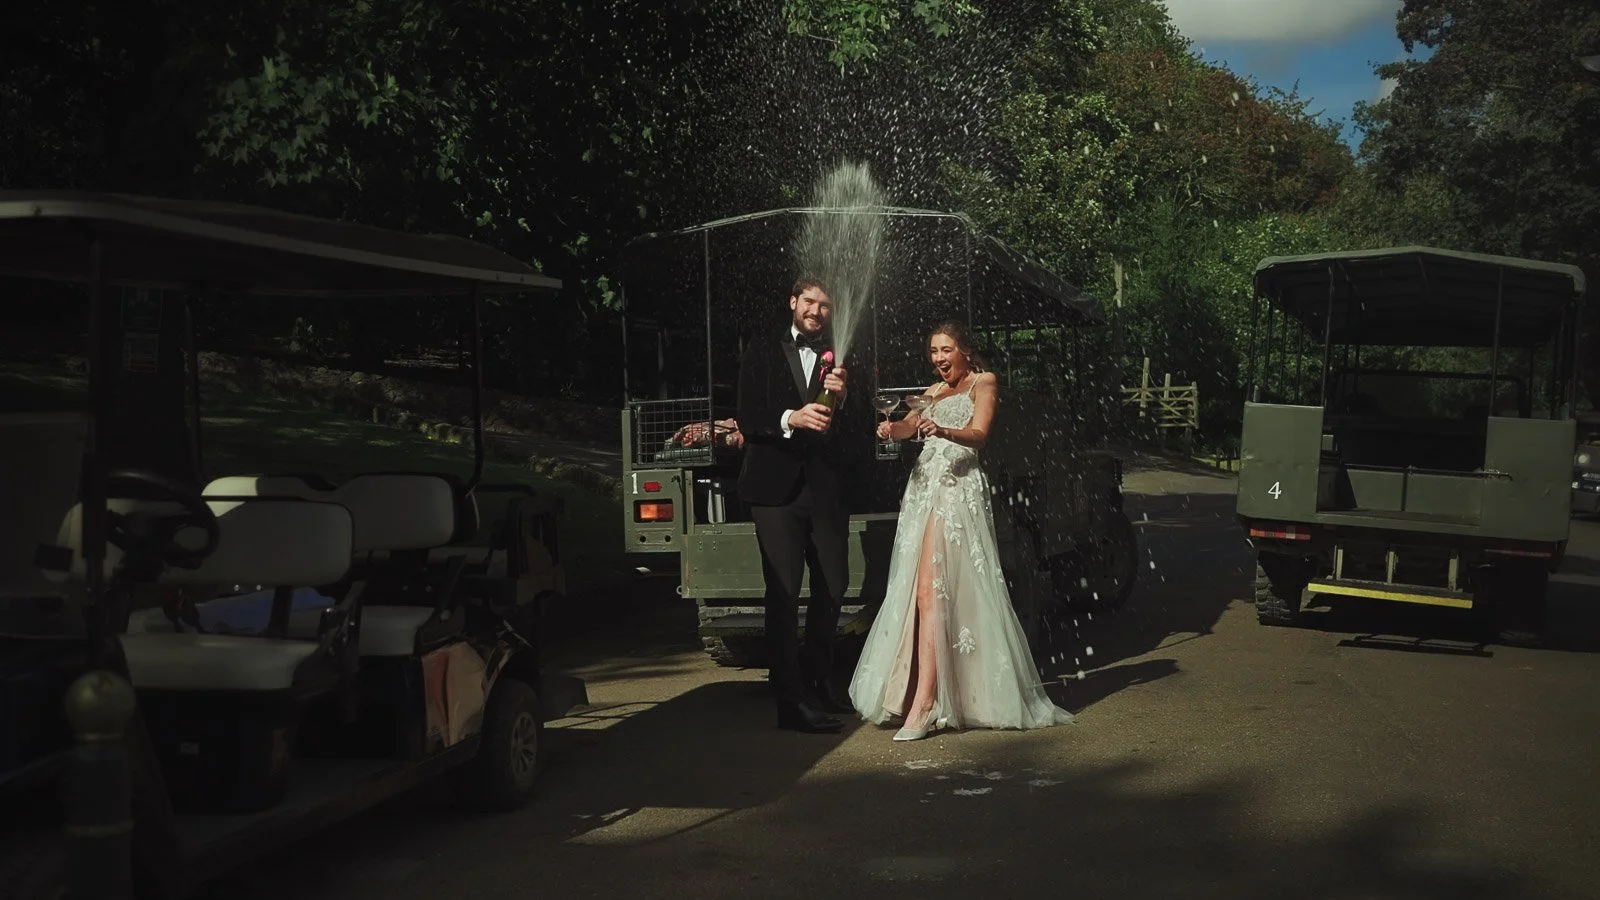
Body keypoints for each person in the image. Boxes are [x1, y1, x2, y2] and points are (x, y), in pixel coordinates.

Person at [848, 320, 1074, 741]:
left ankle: (927, 702)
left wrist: (945, 430)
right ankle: (925, 693)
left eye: (946, 350)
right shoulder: (930, 392)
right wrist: (890, 428)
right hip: (923, 491)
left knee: (933, 591)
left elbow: (980, 435)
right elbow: (909, 427)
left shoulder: (983, 382)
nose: (939, 359)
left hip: (956, 491)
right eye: (934, 351)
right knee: (921, 592)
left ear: (965, 350)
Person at [735, 276, 854, 734]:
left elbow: (859, 425)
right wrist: (792, 417)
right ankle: (790, 701)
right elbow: (747, 415)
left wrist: (842, 402)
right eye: (809, 302)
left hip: (823, 487)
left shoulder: (843, 358)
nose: (816, 311)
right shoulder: (762, 350)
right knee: (783, 595)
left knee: (834, 586)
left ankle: (819, 678)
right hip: (773, 490)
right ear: (792, 302)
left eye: (825, 305)